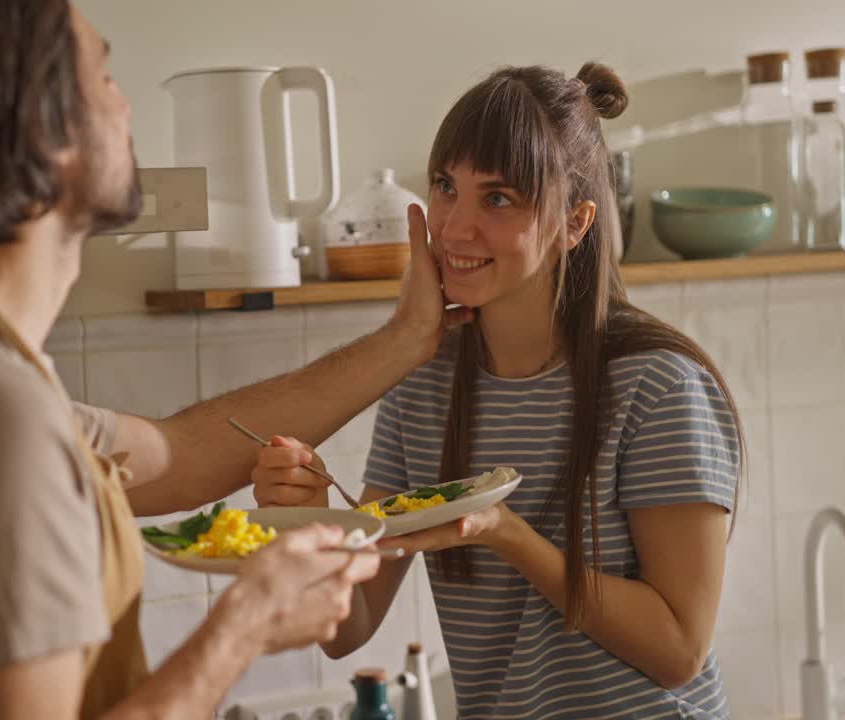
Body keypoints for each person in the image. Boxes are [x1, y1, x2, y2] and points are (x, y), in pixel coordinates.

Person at [0, 2, 470, 719]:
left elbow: (184, 453)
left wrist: (406, 338)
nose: (125, 105)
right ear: (44, 128)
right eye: (106, 75)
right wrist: (244, 626)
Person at [253, 63, 743, 719]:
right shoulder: (422, 386)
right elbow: (351, 628)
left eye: (499, 199)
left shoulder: (655, 386)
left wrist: (505, 534)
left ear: (574, 223)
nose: (455, 228)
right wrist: (310, 514)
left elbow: (679, 648)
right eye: (446, 188)